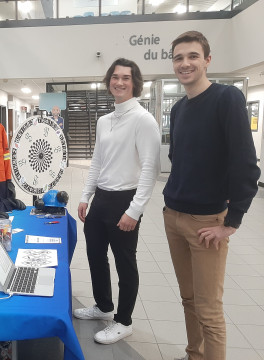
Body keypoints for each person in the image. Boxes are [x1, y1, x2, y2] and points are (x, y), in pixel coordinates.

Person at [163, 31, 260, 360]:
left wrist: (230, 223)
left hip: (207, 222)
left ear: (207, 60)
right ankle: (194, 355)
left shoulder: (227, 98)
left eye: (192, 56)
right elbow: (179, 159)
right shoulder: (178, 110)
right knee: (188, 300)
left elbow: (246, 164)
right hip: (173, 216)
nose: (185, 63)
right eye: (178, 57)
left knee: (209, 311)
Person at [74, 58, 160, 344]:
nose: (119, 82)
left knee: (125, 262)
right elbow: (97, 161)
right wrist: (86, 195)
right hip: (101, 198)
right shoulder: (104, 120)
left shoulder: (143, 120)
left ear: (135, 82)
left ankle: (124, 321)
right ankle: (103, 306)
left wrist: (134, 210)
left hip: (126, 199)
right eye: (115, 76)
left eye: (126, 77)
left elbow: (150, 168)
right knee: (95, 255)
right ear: (108, 81)